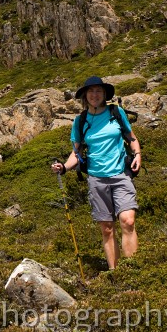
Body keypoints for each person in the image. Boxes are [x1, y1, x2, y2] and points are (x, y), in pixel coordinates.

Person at [52, 76, 141, 270]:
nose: (94, 95)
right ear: (85, 95)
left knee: (128, 220)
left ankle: (134, 271)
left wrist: (138, 154)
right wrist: (65, 167)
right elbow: (76, 152)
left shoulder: (116, 113)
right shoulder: (80, 121)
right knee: (107, 229)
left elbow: (131, 138)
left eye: (98, 91)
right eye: (91, 91)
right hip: (96, 179)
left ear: (104, 94)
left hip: (120, 174)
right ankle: (115, 272)